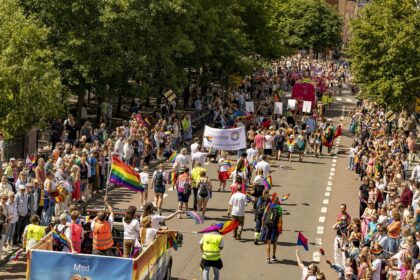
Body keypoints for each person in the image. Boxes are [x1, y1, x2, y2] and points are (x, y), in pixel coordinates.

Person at [260, 195, 282, 263]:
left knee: (268, 242)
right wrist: (280, 228)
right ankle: (273, 257)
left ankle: (268, 258)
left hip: (267, 225)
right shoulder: (279, 208)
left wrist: (262, 225)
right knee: (275, 242)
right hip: (275, 226)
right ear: (278, 201)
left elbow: (263, 217)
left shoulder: (269, 205)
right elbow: (280, 220)